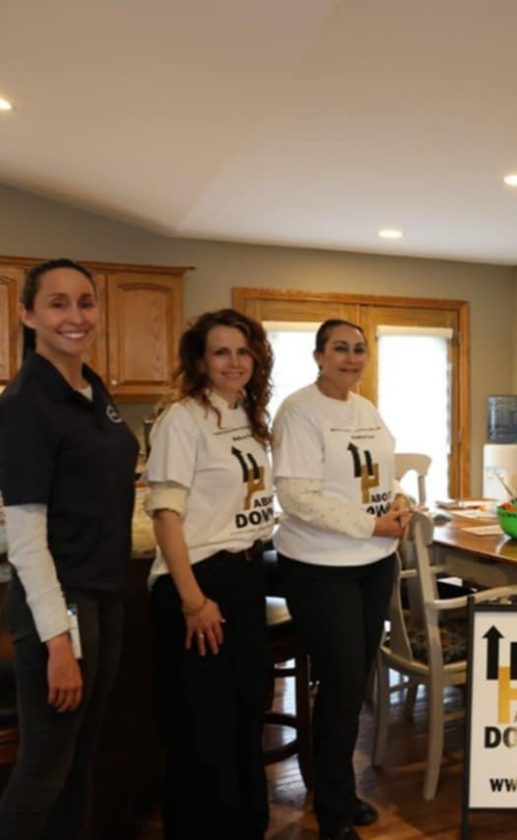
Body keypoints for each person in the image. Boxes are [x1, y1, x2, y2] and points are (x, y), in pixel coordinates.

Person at [0, 259, 138, 838]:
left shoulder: (89, 387)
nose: (75, 316)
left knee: (81, 757)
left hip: (103, 595)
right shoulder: (27, 403)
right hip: (61, 607)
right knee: (45, 770)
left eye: (85, 301)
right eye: (57, 303)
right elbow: (27, 537)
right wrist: (57, 641)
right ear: (28, 314)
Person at [272, 319, 411, 840]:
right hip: (320, 567)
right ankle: (332, 811)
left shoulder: (365, 408)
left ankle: (339, 790)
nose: (351, 358)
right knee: (341, 685)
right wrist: (372, 524)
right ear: (318, 356)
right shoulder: (299, 411)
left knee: (353, 685)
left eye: (359, 350)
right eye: (340, 349)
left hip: (374, 562)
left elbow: (384, 473)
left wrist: (399, 503)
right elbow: (299, 497)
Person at [144, 309, 275, 837]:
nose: (234, 362)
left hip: (245, 579)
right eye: (221, 352)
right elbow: (165, 515)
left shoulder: (247, 413)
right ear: (200, 359)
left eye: (243, 351)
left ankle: (247, 826)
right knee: (202, 731)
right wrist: (194, 601)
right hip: (198, 583)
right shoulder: (184, 418)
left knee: (246, 718)